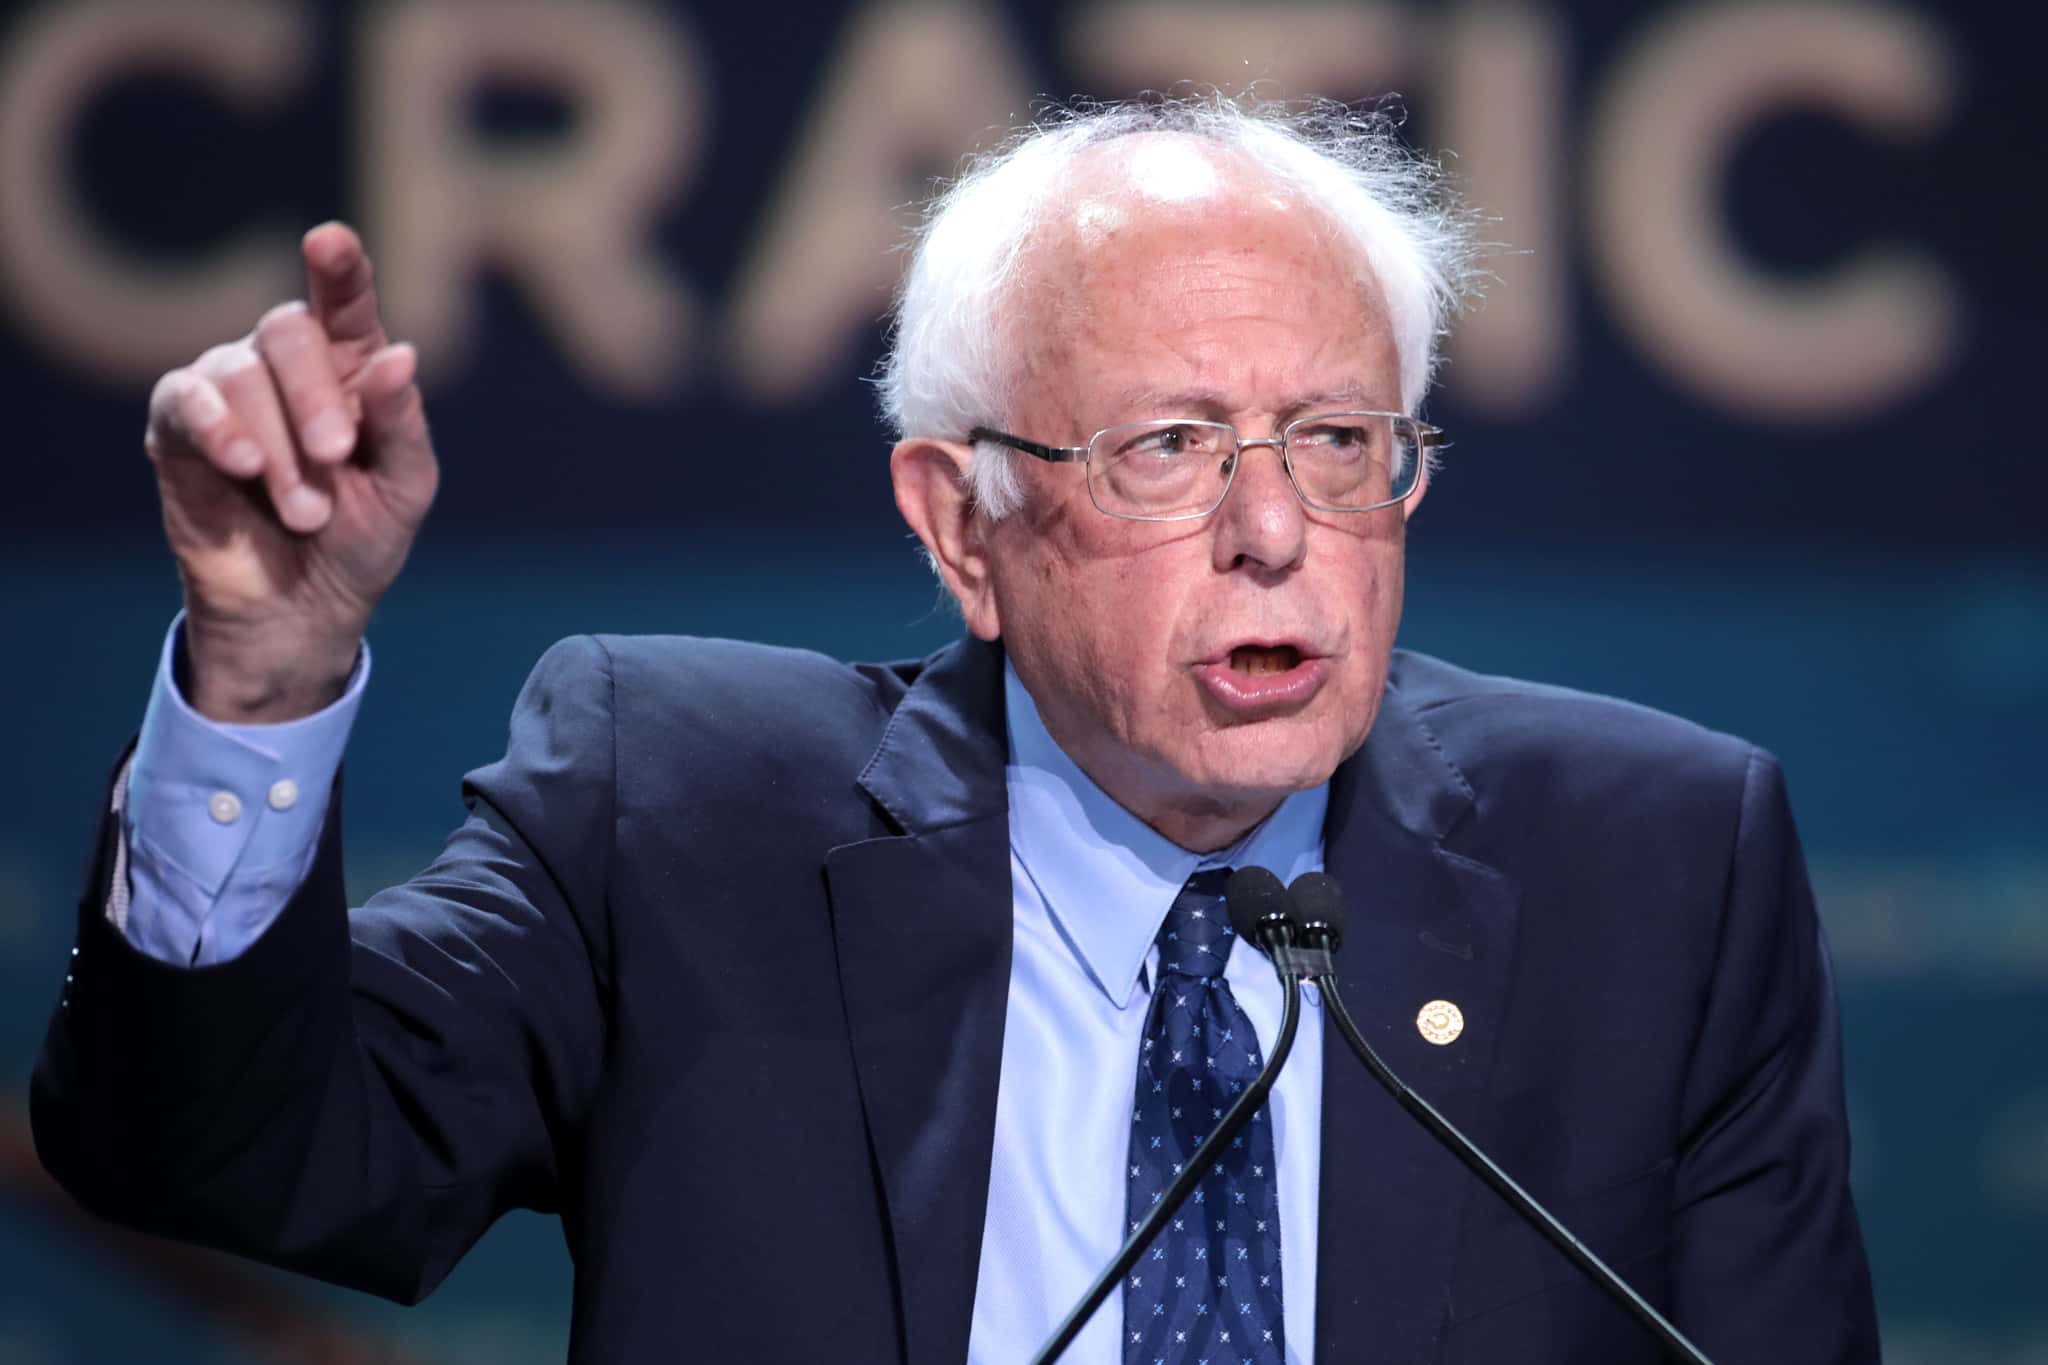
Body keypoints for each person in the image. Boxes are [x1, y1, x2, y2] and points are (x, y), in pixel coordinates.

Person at [32, 98, 1878, 1363]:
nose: (1272, 532)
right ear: (957, 526)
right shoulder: (678, 814)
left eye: (1337, 443)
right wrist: (259, 675)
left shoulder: (1654, 866)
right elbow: (218, 1157)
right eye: (1168, 448)